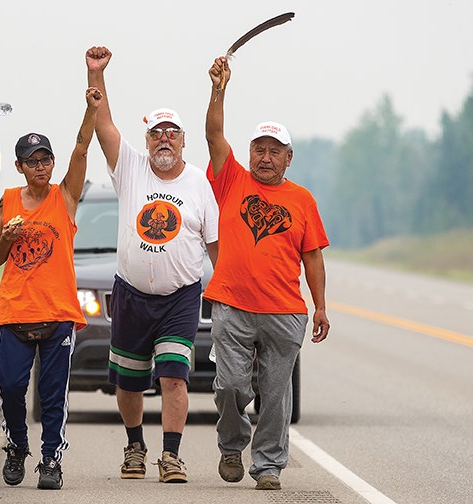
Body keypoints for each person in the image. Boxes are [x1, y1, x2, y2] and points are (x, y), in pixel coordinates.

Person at [86, 46, 219, 484]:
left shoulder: (200, 184)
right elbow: (103, 124)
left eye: (172, 133)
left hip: (180, 298)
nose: (164, 139)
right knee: (128, 382)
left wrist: (228, 295)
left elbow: (215, 248)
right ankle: (135, 446)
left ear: (184, 141)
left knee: (174, 378)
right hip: (131, 295)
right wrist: (96, 74)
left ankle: (173, 456)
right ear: (147, 141)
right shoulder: (131, 168)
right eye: (157, 133)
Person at [204, 56, 331, 491]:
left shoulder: (302, 200)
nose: (265, 157)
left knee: (276, 395)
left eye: (274, 150)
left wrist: (320, 308)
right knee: (231, 386)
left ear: (288, 158)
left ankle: (269, 465)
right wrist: (219, 87)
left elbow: (312, 257)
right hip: (232, 304)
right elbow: (213, 135)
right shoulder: (232, 180)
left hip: (284, 312)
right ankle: (231, 442)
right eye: (259, 148)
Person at [0, 86, 102, 490]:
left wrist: (91, 109)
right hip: (16, 313)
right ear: (20, 167)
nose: (41, 166)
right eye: (32, 162)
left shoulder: (65, 196)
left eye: (46, 159)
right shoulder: (7, 201)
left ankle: (51, 459)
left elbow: (81, 149)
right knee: (10, 388)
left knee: (53, 394)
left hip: (57, 314)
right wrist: (7, 236)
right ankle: (18, 446)